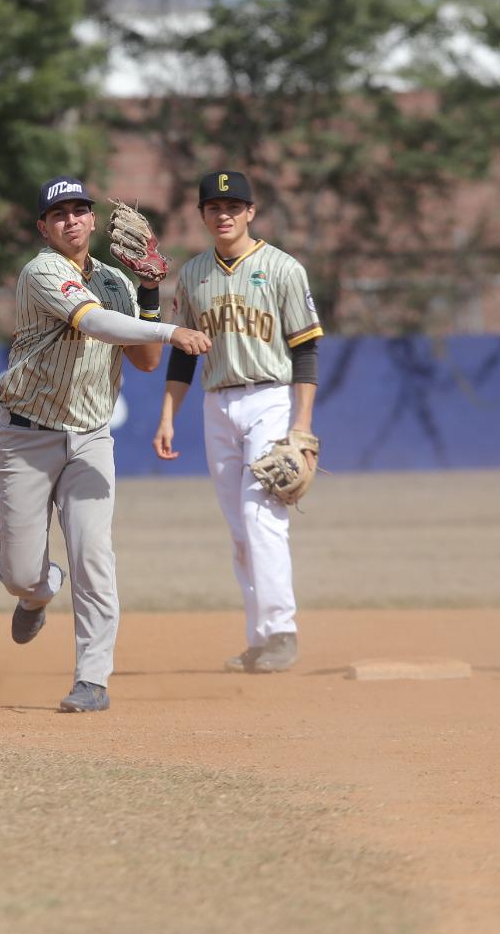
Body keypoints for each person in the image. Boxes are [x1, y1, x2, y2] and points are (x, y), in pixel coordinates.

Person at [0, 176, 212, 713]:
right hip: (26, 438)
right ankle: (41, 589)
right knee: (19, 574)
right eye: (58, 213)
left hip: (90, 439)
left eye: (79, 210)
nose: (70, 220)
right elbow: (96, 322)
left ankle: (93, 679)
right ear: (44, 227)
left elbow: (145, 362)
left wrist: (151, 294)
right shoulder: (41, 271)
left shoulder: (116, 280)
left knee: (95, 555)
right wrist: (168, 331)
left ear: (93, 220)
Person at [153, 170, 324, 674]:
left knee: (261, 516)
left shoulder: (282, 268)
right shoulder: (192, 274)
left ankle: (283, 631)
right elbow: (183, 354)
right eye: (213, 206)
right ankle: (260, 640)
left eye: (234, 205)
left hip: (269, 398)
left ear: (251, 211)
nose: (223, 213)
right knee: (238, 530)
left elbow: (306, 349)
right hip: (216, 404)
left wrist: (302, 426)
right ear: (203, 215)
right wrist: (168, 416)